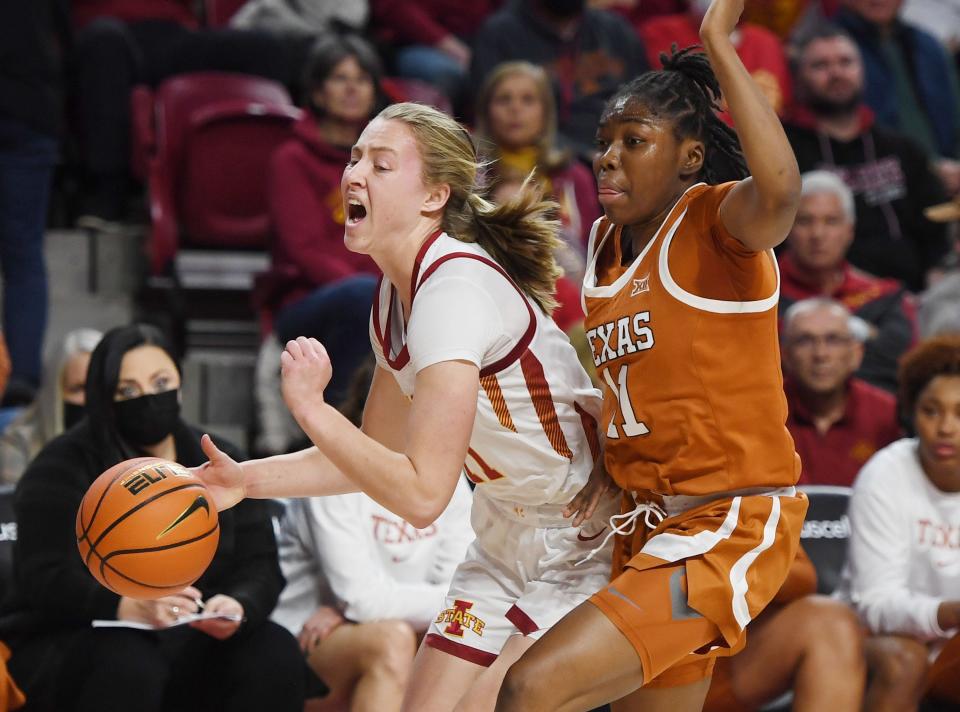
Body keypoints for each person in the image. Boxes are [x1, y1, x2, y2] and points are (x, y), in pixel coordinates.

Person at [195, 100, 615, 712]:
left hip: (582, 534)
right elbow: (373, 458)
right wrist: (246, 479)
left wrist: (312, 409)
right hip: (505, 534)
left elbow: (422, 496)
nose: (354, 173)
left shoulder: (454, 290)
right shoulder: (394, 298)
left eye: (382, 164)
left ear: (434, 196)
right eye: (355, 157)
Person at [494, 0, 809, 709]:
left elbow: (784, 189)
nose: (608, 155)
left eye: (634, 140)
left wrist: (717, 43)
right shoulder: (605, 247)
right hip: (644, 527)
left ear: (690, 157)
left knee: (529, 689)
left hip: (725, 521)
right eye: (605, 140)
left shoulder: (714, 227)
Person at [0, 324, 305, 712]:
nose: (147, 398)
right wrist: (121, 606)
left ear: (180, 384)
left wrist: (237, 603)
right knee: (129, 663)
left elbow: (261, 564)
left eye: (160, 382)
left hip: (193, 631)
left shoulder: (218, 458)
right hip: (85, 632)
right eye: (127, 390)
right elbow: (42, 577)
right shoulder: (60, 465)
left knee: (273, 652)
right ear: (102, 396)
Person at [272, 359, 476, 710]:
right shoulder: (333, 472)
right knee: (394, 641)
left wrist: (369, 611)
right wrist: (364, 613)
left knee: (472, 642)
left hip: (392, 628)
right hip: (304, 639)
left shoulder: (450, 479)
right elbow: (361, 598)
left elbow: (463, 592)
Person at [259, 33, 383, 408]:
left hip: (374, 293)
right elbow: (304, 250)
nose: (351, 89)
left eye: (362, 79)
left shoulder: (386, 163)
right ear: (316, 92)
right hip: (305, 302)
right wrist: (382, 292)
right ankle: (342, 422)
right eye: (340, 78)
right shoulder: (291, 159)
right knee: (363, 297)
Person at [784, 23, 951, 291]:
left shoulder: (901, 149)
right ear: (798, 76)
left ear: (862, 70)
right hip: (822, 299)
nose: (836, 73)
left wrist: (938, 272)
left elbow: (936, 227)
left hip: (913, 294)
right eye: (820, 65)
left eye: (846, 62)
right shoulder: (782, 151)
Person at [844, 334, 960, 711]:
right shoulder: (885, 473)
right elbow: (875, 604)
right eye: (931, 410)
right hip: (873, 637)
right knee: (904, 659)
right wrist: (948, 612)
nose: (946, 428)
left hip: (952, 650)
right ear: (912, 411)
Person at [474, 60, 601, 330]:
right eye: (504, 99)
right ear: (486, 111)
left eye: (528, 100)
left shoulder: (574, 176)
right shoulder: (470, 175)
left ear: (546, 112)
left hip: (566, 290)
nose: (515, 109)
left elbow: (591, 250)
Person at [779, 170, 918, 393]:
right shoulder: (758, 294)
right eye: (805, 221)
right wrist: (867, 336)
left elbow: (898, 365)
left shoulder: (884, 295)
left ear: (849, 230)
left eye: (831, 221)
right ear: (785, 228)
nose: (818, 233)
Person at [469, 0, 648, 161]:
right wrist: (582, 155)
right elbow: (488, 120)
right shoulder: (499, 34)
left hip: (616, 152)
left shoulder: (616, 30)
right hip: (543, 160)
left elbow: (645, 105)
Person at [0, 0, 67, 406]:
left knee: (24, 254)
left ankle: (21, 378)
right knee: (24, 255)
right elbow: (64, 39)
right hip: (30, 109)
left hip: (28, 113)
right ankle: (21, 378)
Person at [702, 548, 865, 711]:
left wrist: (740, 570)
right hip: (680, 651)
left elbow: (803, 576)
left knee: (830, 625)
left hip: (721, 657)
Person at [834, 0, 960, 188]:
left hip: (947, 183)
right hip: (874, 187)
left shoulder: (927, 45)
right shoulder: (829, 52)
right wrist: (925, 168)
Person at [781, 298, 900, 486]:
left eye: (833, 340)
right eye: (805, 340)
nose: (820, 354)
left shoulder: (887, 415)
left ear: (856, 354)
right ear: (785, 355)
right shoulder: (763, 415)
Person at [638, 0, 793, 118]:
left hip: (758, 153)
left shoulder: (766, 42)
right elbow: (675, 103)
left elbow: (781, 114)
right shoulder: (660, 32)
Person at [0, 328, 102, 484]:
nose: (89, 398)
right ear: (54, 394)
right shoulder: (19, 445)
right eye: (78, 389)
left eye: (97, 386)